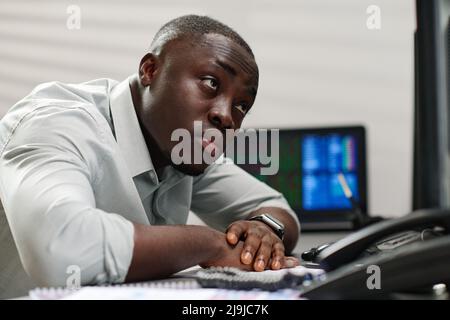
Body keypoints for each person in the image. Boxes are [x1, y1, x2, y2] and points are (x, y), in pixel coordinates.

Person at [0, 15, 300, 286]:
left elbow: (276, 207)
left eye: (241, 105)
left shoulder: (185, 146)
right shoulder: (56, 123)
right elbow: (61, 248)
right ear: (150, 69)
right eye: (210, 83)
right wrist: (210, 245)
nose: (227, 117)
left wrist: (263, 232)